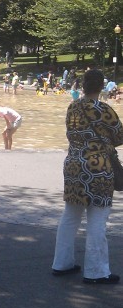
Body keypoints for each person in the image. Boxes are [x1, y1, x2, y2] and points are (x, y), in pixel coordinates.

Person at [52, 69, 123, 284]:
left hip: (73, 165)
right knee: (97, 219)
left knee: (70, 215)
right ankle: (96, 272)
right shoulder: (104, 109)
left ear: (83, 85)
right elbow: (120, 136)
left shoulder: (72, 106)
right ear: (101, 86)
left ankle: (61, 263)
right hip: (97, 168)